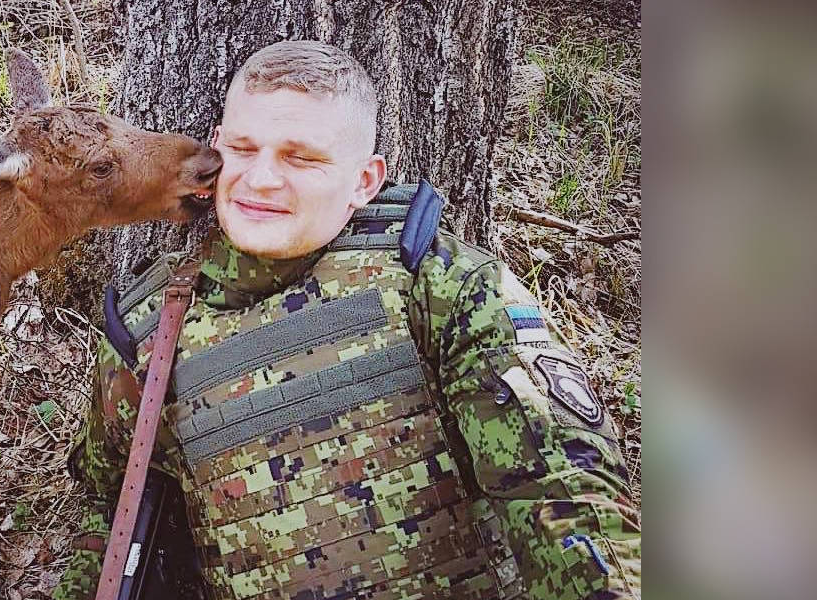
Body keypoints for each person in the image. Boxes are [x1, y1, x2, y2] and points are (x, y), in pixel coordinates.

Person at [53, 40, 641, 600]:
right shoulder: (150, 327)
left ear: (365, 181)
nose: (260, 180)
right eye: (243, 148)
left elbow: (564, 495)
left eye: (301, 158)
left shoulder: (438, 283)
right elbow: (112, 518)